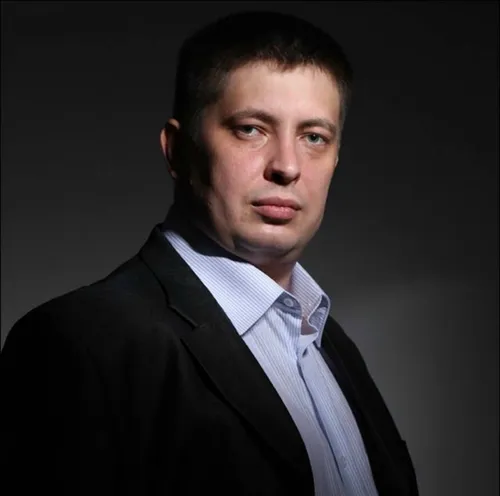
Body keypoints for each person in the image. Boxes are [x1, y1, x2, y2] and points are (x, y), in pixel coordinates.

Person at [1, 10, 419, 496]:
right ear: (177, 149)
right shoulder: (78, 342)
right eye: (251, 129)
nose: (287, 166)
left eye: (313, 137)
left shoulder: (331, 343)